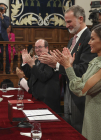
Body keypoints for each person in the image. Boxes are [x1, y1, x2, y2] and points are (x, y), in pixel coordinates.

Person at [39, 5, 97, 133]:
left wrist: (59, 65)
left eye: (69, 21)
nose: (66, 25)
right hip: (68, 90)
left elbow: (84, 69)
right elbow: (68, 64)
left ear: (80, 19)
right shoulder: (71, 41)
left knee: (78, 129)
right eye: (66, 21)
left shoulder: (90, 39)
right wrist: (56, 64)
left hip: (81, 94)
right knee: (69, 126)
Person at [52, 24, 101, 140]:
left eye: (93, 39)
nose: (89, 42)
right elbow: (80, 82)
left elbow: (81, 90)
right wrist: (70, 66)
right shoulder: (95, 61)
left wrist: (68, 67)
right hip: (90, 115)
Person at [21, 39, 61, 113]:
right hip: (38, 97)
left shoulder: (51, 59)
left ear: (46, 48)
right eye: (35, 47)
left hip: (47, 99)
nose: (37, 49)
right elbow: (30, 75)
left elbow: (43, 77)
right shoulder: (37, 60)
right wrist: (25, 62)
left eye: (40, 47)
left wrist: (32, 65)